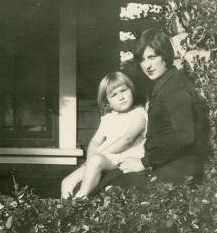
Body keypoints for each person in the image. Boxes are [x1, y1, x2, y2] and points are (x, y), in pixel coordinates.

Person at [92, 28, 209, 194]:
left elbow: (185, 136)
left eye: (152, 57)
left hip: (181, 166)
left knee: (112, 188)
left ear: (165, 56)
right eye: (142, 59)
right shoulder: (163, 85)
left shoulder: (175, 86)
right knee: (106, 179)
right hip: (165, 163)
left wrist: (144, 163)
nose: (147, 65)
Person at [61, 71, 147, 199]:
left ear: (132, 90)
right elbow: (96, 141)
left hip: (124, 159)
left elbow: (127, 140)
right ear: (107, 102)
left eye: (123, 90)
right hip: (104, 158)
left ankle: (81, 198)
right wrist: (89, 160)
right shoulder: (108, 118)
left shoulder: (139, 115)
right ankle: (65, 207)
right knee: (67, 182)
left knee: (96, 161)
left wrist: (99, 155)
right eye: (114, 95)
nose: (121, 97)